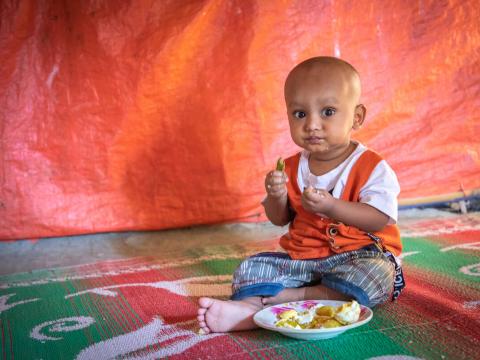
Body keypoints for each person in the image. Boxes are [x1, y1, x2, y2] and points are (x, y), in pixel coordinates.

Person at [197, 56, 405, 334]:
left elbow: (379, 219)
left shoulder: (372, 166)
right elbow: (279, 218)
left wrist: (332, 206)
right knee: (252, 266)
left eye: (328, 112)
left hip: (358, 256)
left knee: (378, 276)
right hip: (303, 261)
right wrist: (276, 196)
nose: (312, 125)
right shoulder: (292, 167)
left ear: (357, 117)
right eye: (300, 114)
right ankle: (248, 310)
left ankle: (291, 299)